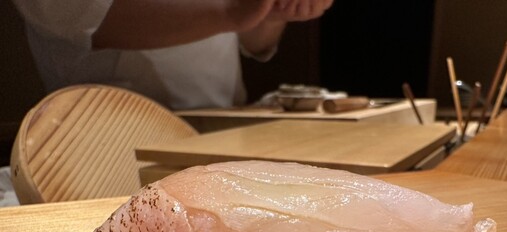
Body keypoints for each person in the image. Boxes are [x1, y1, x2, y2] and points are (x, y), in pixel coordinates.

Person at [12, 0, 333, 110]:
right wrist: (233, 11)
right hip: (104, 148)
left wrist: (275, 13)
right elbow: (86, 19)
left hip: (222, 125)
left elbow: (254, 40)